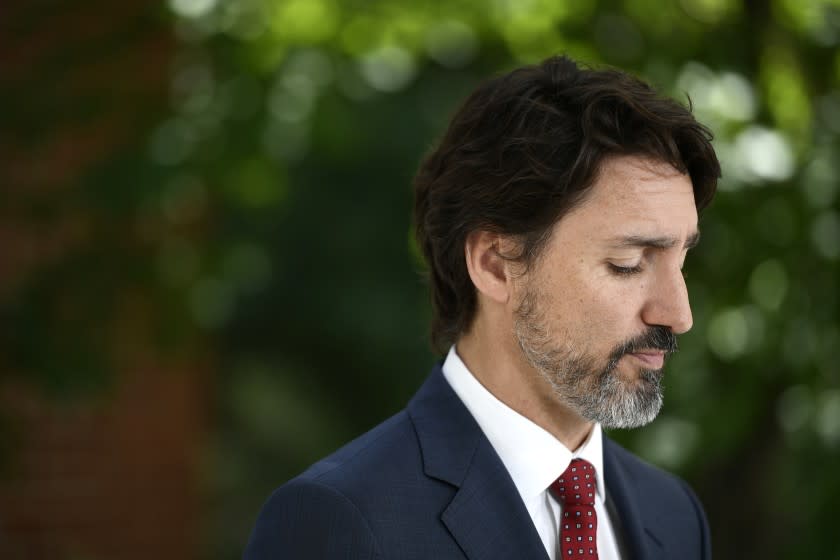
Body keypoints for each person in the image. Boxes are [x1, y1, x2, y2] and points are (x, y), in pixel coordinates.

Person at [244, 54, 721, 560]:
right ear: (495, 265)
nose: (678, 314)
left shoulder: (675, 517)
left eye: (681, 260)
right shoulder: (340, 523)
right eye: (628, 263)